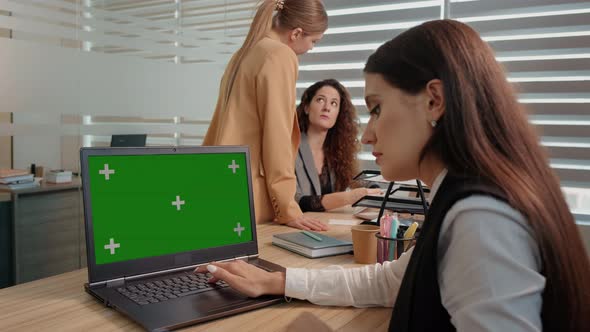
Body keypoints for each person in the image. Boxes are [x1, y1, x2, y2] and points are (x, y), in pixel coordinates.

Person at [197, 19, 590, 331]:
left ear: (434, 101)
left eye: (379, 108)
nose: (368, 134)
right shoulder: (458, 195)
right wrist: (277, 282)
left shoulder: (479, 221)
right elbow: (390, 283)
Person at [203, 0, 328, 231]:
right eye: (313, 41)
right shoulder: (280, 54)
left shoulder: (245, 52)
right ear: (296, 33)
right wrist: (286, 207)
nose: (311, 48)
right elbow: (277, 132)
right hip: (247, 186)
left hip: (221, 177)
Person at [295, 79, 381, 212]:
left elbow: (359, 181)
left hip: (326, 224)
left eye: (334, 103)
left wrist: (375, 190)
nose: (327, 108)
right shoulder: (290, 147)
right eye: (320, 100)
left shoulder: (336, 151)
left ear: (338, 114)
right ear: (306, 107)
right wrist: (349, 197)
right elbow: (298, 201)